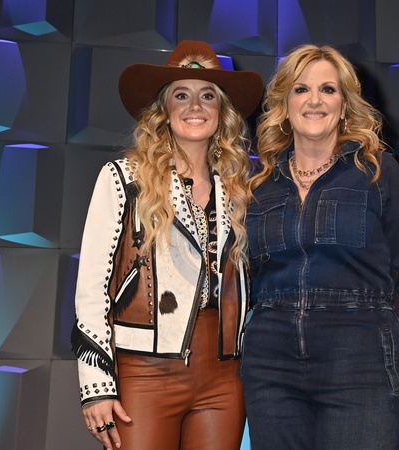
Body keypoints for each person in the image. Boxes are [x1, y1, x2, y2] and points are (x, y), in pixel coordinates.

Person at [240, 44, 399, 450]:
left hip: (361, 361)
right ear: (284, 104)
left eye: (328, 89)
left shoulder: (378, 172)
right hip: (271, 367)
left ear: (344, 104)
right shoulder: (260, 184)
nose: (314, 100)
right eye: (301, 89)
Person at [71, 40, 263, 450]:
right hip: (145, 371)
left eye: (207, 95)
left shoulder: (242, 188)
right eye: (181, 95)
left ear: (222, 111)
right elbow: (92, 286)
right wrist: (96, 385)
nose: (195, 106)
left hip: (225, 375)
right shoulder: (124, 177)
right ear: (164, 109)